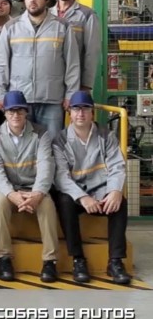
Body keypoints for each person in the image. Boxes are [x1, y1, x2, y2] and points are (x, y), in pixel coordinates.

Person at [52, 91, 132, 285]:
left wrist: (114, 191)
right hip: (77, 195)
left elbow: (117, 166)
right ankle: (78, 260)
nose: (80, 114)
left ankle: (115, 261)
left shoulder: (106, 135)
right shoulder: (60, 140)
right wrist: (82, 197)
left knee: (120, 202)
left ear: (92, 113)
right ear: (70, 113)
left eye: (85, 109)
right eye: (76, 109)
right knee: (64, 200)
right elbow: (61, 177)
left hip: (100, 191)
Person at [0, 91, 59, 283]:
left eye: (20, 110)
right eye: (11, 111)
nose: (15, 115)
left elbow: (46, 165)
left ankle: (50, 260)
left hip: (33, 186)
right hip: (6, 188)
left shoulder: (41, 133)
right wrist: (11, 194)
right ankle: (3, 258)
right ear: (5, 113)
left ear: (26, 112)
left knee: (47, 205)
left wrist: (38, 193)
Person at [0, 0, 80, 137]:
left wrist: (71, 94)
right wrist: (0, 94)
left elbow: (72, 63)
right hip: (19, 100)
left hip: (52, 99)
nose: (32, 0)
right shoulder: (11, 27)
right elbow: (1, 64)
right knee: (22, 144)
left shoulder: (62, 27)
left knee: (53, 143)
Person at [50, 0, 101, 91]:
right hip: (52, 80)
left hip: (76, 80)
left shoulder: (87, 14)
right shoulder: (48, 15)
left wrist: (87, 84)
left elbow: (92, 52)